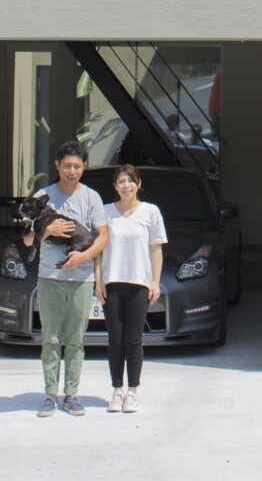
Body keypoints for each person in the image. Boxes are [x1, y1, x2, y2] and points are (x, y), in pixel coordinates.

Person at [23, 139, 109, 418]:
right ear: (57, 166)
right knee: (49, 337)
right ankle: (50, 394)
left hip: (81, 279)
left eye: (77, 166)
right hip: (50, 276)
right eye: (67, 166)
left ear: (83, 168)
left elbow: (103, 237)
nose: (72, 171)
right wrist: (47, 231)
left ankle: (71, 394)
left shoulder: (91, 197)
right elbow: (27, 240)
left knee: (75, 339)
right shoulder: (41, 196)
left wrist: (83, 258)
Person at [95, 163, 166, 413]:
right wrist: (98, 280)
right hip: (112, 283)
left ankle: (132, 391)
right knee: (115, 340)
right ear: (115, 186)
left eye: (131, 181)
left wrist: (155, 281)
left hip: (139, 284)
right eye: (121, 181)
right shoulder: (105, 212)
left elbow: (156, 249)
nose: (127, 186)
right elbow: (98, 250)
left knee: (134, 340)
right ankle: (117, 390)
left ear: (139, 184)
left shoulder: (151, 212)